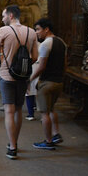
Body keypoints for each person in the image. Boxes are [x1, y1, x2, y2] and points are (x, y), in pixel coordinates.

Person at [0, 5, 38, 159]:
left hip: (6, 75)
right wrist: (22, 65)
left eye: (3, 16)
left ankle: (12, 146)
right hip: (22, 76)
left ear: (10, 16)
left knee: (8, 110)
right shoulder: (31, 32)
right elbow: (34, 57)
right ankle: (14, 142)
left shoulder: (3, 31)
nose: (2, 19)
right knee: (18, 110)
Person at [29, 18, 67, 150]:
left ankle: (48, 141)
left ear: (47, 29)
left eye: (38, 29)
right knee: (51, 110)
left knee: (44, 113)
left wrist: (31, 79)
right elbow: (65, 64)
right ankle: (56, 134)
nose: (37, 32)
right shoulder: (62, 42)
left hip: (47, 83)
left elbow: (42, 66)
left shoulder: (46, 44)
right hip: (58, 82)